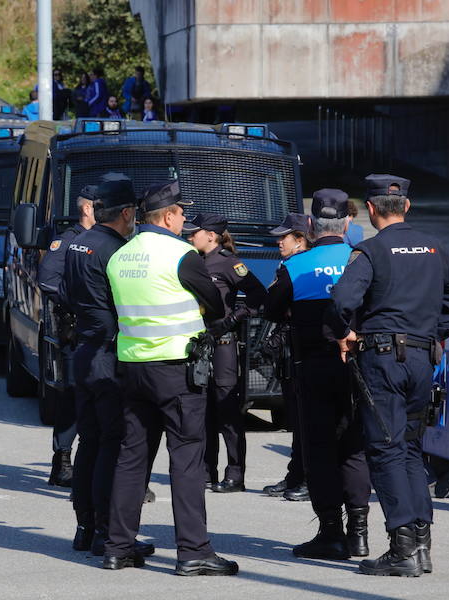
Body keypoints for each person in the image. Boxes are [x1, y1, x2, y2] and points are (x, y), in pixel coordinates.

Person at [327, 174, 449, 577]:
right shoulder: (434, 247)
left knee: (386, 449)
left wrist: (346, 333)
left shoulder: (369, 251)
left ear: (371, 210)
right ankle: (421, 545)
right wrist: (430, 333)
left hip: (383, 358)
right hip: (423, 359)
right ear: (406, 205)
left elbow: (340, 302)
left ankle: (402, 547)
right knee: (409, 448)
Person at [103, 180, 236, 576]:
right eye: (181, 213)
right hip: (177, 370)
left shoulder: (120, 256)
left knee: (131, 459)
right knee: (187, 460)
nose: (184, 220)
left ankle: (118, 547)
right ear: (168, 216)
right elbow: (214, 304)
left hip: (133, 367)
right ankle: (193, 550)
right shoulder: (182, 254)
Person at [264, 189, 372, 562]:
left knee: (320, 448)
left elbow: (271, 310)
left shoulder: (298, 265)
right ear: (347, 223)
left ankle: (331, 533)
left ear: (310, 225)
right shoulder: (362, 259)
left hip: (313, 367)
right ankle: (360, 533)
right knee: (354, 447)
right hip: (359, 367)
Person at [59, 179, 154, 558]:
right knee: (113, 445)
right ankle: (104, 529)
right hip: (109, 355)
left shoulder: (78, 244)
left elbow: (65, 292)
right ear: (127, 213)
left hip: (85, 350)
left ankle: (85, 526)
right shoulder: (118, 251)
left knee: (90, 441)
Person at [182, 213, 267, 493]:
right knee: (202, 409)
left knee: (227, 410)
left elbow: (258, 295)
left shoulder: (230, 263)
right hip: (198, 344)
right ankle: (207, 470)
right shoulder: (190, 260)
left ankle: (235, 473)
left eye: (195, 232)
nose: (190, 235)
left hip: (223, 345)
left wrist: (234, 319)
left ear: (212, 235)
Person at [37, 185, 97, 488]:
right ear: (87, 208)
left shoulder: (107, 240)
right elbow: (47, 281)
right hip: (75, 331)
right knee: (73, 396)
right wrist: (80, 301)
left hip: (101, 333)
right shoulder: (66, 241)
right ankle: (62, 459)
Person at [261, 213, 312, 502]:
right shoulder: (287, 264)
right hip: (290, 350)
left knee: (307, 421)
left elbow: (273, 306)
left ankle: (307, 477)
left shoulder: (298, 267)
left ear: (300, 240)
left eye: (284, 237)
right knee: (296, 419)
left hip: (303, 350)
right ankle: (296, 474)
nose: (278, 241)